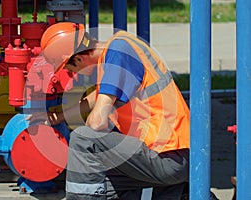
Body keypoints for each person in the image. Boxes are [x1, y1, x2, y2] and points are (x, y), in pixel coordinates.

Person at [31, 22, 190, 200]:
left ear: (78, 59)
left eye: (71, 70)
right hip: (167, 154)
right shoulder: (117, 46)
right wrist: (59, 116)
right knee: (99, 181)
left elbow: (97, 122)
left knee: (84, 138)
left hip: (167, 156)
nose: (74, 76)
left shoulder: (119, 53)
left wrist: (88, 120)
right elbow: (97, 97)